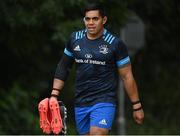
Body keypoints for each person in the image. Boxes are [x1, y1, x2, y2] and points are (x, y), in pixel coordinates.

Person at [50, 2, 144, 135]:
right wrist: (54, 95)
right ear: (84, 20)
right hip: (81, 101)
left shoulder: (115, 44)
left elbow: (127, 76)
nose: (91, 23)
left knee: (98, 133)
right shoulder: (74, 39)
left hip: (104, 100)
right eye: (87, 19)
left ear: (104, 20)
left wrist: (137, 106)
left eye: (95, 19)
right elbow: (64, 66)